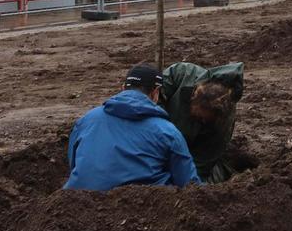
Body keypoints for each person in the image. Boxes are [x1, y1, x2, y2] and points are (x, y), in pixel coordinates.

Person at [64, 64, 200, 191]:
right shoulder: (168, 131)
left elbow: (74, 163)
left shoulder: (86, 120)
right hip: (143, 210)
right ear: (155, 93)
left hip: (79, 205)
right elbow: (189, 185)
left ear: (123, 88)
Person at [159, 62, 244, 183]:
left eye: (205, 120)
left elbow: (202, 163)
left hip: (190, 151)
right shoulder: (181, 74)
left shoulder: (222, 125)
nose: (201, 121)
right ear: (193, 97)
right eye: (198, 117)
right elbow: (151, 97)